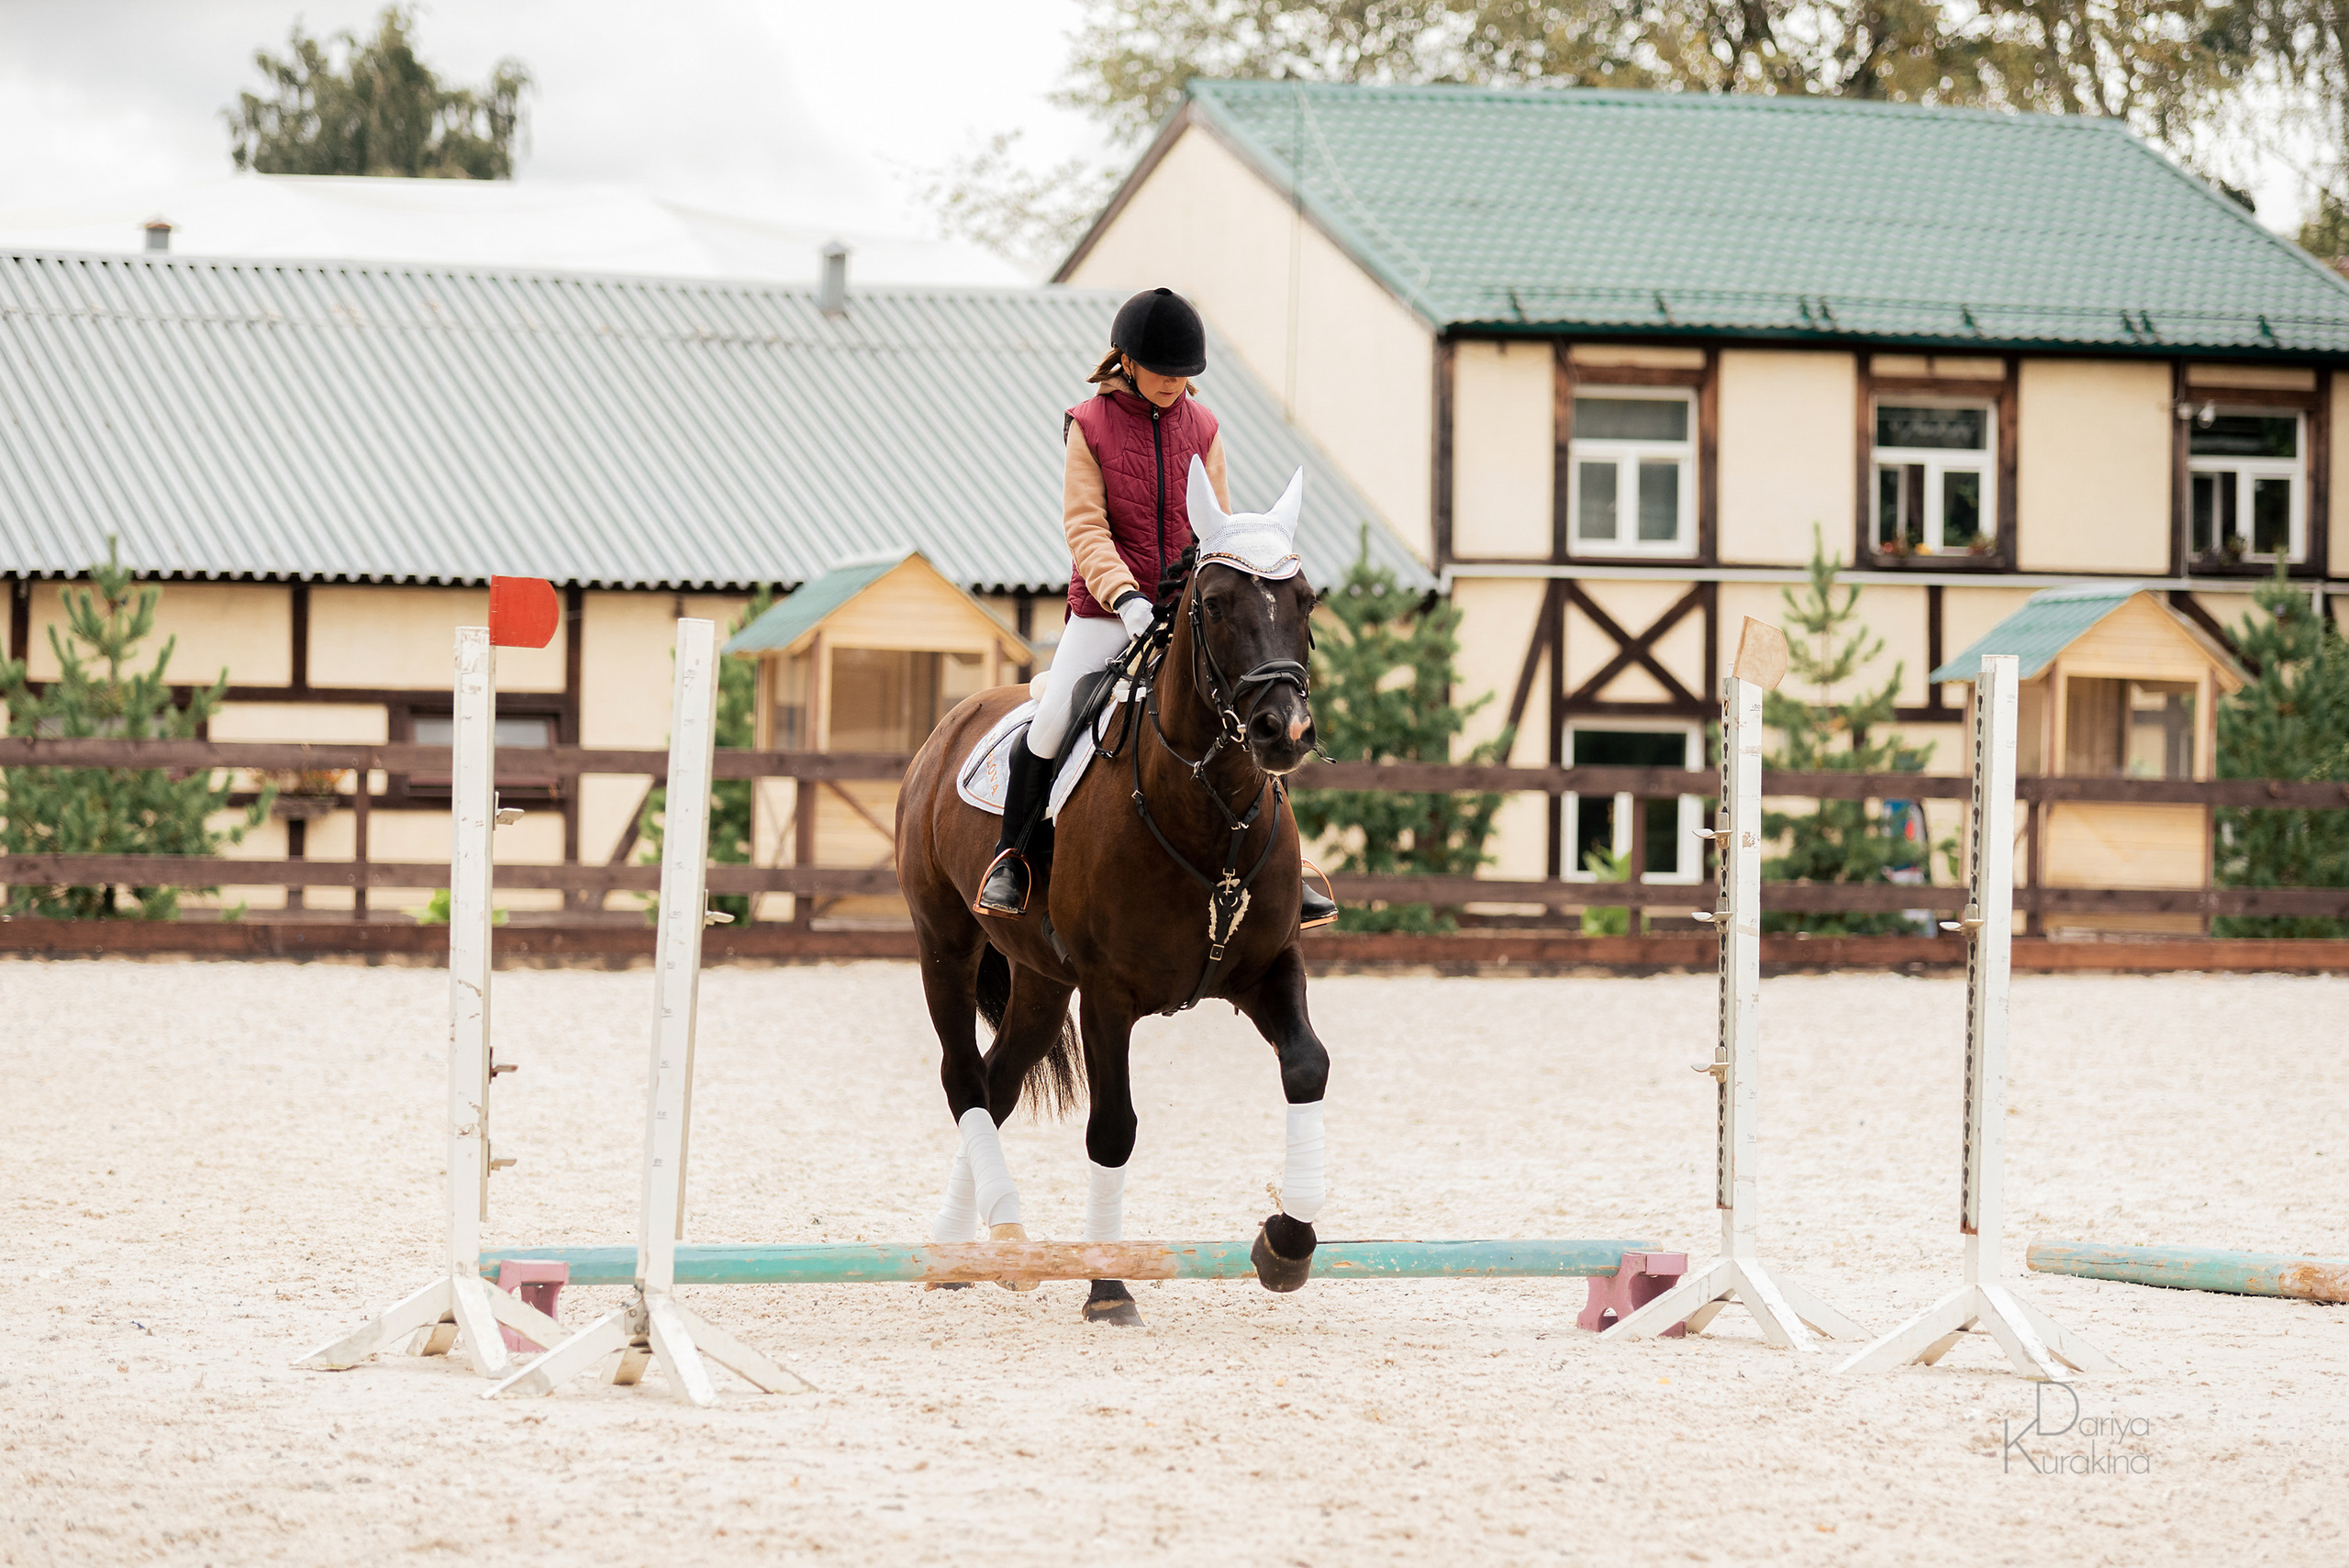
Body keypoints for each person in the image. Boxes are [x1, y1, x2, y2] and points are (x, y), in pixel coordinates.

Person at [975, 285, 1339, 929]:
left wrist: (1195, 599)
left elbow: (1217, 531)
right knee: (1053, 717)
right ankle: (1015, 857)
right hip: (1105, 610)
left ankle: (1288, 865)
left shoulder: (1204, 427)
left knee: (1249, 708)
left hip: (1189, 612)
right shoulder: (1088, 425)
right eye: (1164, 371)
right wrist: (1125, 597)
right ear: (1128, 361)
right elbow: (1085, 528)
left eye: (1184, 374)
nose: (1175, 383)